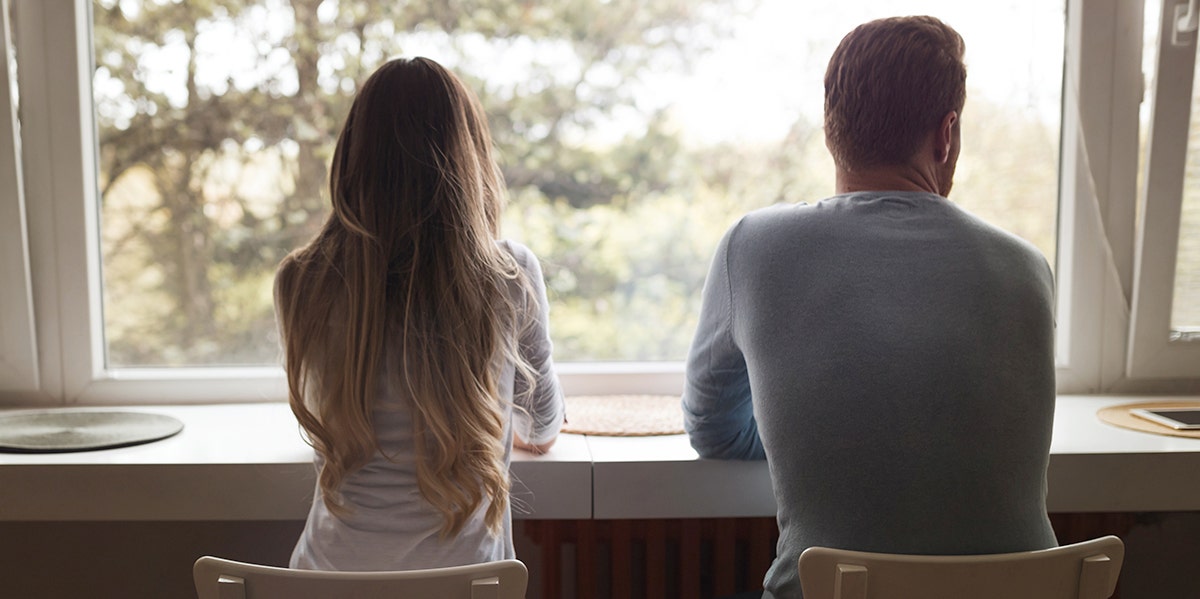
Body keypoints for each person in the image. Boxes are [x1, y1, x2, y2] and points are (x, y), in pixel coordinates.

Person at [682, 16, 1058, 599]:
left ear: (832, 131)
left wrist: (816, 433)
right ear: (946, 134)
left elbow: (712, 429)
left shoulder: (753, 247)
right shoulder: (1028, 268)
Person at [275, 57, 564, 571]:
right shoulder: (509, 274)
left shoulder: (301, 281)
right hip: (467, 583)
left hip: (323, 583)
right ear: (469, 158)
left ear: (351, 158)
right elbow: (540, 429)